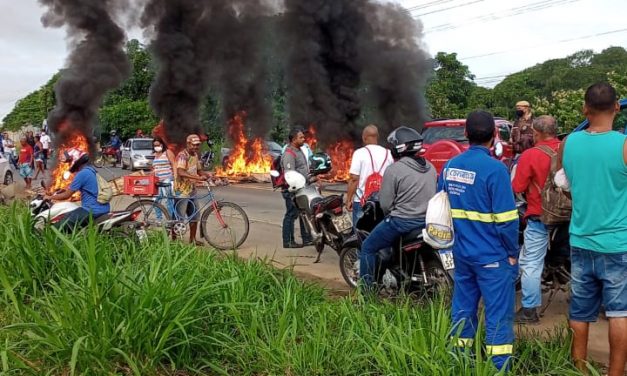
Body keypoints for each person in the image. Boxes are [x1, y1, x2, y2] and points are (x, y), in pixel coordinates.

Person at [439, 110, 519, 371]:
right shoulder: (496, 170)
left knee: (462, 311)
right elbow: (507, 220)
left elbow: (441, 203)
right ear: (495, 135)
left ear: (466, 135)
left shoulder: (450, 166)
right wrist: (511, 252)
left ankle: (458, 363)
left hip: (462, 254)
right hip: (492, 258)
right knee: (497, 316)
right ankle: (499, 368)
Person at [560, 83, 626, 376]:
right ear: (616, 108)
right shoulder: (624, 145)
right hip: (617, 244)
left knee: (580, 313)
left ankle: (580, 370)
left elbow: (565, 185)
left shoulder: (569, 143)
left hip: (580, 240)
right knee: (619, 313)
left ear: (584, 109)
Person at [358, 126, 436, 290]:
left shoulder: (394, 170)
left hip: (401, 222)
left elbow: (386, 204)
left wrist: (391, 214)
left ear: (398, 149)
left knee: (367, 248)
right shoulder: (430, 167)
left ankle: (365, 293)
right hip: (428, 221)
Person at [511, 115, 560, 324]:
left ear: (536, 133)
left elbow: (516, 188)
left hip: (540, 216)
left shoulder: (530, 155)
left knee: (530, 262)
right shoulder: (569, 149)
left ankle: (529, 310)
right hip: (574, 217)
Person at [44, 149, 110, 231]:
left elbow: (67, 195)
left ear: (76, 160)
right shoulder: (91, 170)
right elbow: (73, 187)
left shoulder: (82, 174)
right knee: (70, 214)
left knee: (57, 227)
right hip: (103, 209)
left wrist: (49, 198)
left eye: (70, 161)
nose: (69, 164)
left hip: (91, 210)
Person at [346, 124, 393, 228]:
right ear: (378, 137)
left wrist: (349, 199)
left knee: (361, 233)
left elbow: (354, 179)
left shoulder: (359, 153)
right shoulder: (388, 153)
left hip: (362, 202)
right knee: (380, 233)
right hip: (383, 202)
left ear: (364, 137)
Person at [175, 134, 213, 244]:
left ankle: (192, 240)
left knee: (195, 216)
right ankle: (174, 240)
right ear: (188, 144)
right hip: (182, 190)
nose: (196, 147)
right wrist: (196, 177)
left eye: (198, 145)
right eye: (194, 145)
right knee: (179, 218)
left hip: (192, 189)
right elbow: (180, 172)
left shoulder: (195, 155)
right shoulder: (183, 155)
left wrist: (208, 175)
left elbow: (199, 171)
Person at [281, 128, 313, 249]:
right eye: (301, 137)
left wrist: (311, 179)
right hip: (292, 190)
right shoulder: (289, 154)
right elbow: (290, 175)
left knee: (303, 213)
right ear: (294, 139)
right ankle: (288, 241)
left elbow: (302, 170)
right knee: (291, 214)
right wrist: (295, 189)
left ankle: (306, 238)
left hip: (301, 188)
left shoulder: (299, 151)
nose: (303, 139)